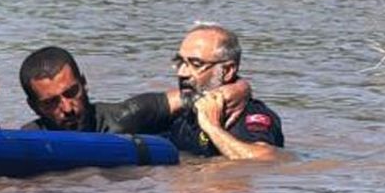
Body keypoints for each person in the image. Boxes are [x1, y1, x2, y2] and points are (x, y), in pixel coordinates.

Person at [18, 45, 250, 134]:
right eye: (51, 103)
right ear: (34, 107)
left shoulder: (125, 116)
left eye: (71, 93)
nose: (67, 108)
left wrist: (240, 88)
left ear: (84, 84)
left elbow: (191, 97)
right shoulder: (27, 139)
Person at [166, 24, 283, 161]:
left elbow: (267, 158)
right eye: (180, 62)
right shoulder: (181, 113)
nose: (182, 73)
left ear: (226, 71)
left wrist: (212, 127)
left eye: (196, 64)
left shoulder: (251, 115)